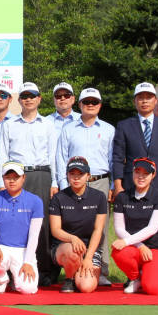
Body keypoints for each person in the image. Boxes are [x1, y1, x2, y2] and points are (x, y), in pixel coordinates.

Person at [0, 82, 58, 286]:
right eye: (24, 95)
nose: (28, 99)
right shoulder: (9, 124)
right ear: (20, 100)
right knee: (17, 223)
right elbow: (2, 154)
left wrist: (56, 181)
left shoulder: (48, 124)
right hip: (16, 176)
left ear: (39, 99)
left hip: (41, 175)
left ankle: (46, 269)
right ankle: (17, 269)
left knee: (42, 223)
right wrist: (1, 182)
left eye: (32, 95)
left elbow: (54, 155)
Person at [56, 88, 115, 286]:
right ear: (79, 104)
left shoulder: (108, 129)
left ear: (100, 105)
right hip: (73, 181)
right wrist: (63, 185)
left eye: (94, 101)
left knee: (101, 228)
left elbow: (112, 159)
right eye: (86, 101)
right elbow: (61, 157)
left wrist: (114, 184)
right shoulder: (69, 128)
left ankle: (102, 270)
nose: (90, 104)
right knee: (70, 224)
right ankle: (71, 268)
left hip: (100, 181)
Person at [112, 82, 158, 202]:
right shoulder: (124, 126)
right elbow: (117, 158)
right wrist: (117, 184)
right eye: (140, 98)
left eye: (148, 97)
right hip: (131, 184)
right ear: (135, 101)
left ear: (155, 100)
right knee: (133, 219)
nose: (144, 101)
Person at [111, 158, 158, 295]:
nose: (141, 177)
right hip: (135, 247)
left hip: (157, 247)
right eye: (138, 172)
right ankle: (135, 277)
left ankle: (147, 273)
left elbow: (152, 228)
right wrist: (140, 246)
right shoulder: (122, 197)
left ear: (153, 175)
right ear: (132, 173)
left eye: (146, 173)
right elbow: (119, 228)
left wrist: (127, 241)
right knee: (118, 251)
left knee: (153, 289)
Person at [49, 157, 108, 293]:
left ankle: (80, 270)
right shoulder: (58, 198)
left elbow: (98, 230)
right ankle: (69, 279)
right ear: (67, 175)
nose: (76, 178)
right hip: (65, 247)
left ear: (88, 176)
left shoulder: (99, 197)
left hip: (90, 248)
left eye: (80, 174)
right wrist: (73, 239)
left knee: (86, 287)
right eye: (72, 174)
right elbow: (55, 230)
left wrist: (88, 258)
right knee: (72, 250)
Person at [0, 161, 43, 294]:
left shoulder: (35, 201)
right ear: (3, 178)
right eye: (8, 177)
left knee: (28, 289)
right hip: (2, 247)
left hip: (23, 250)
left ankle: (16, 280)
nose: (12, 181)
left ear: (23, 178)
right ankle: (2, 279)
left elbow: (34, 235)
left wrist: (28, 261)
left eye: (15, 177)